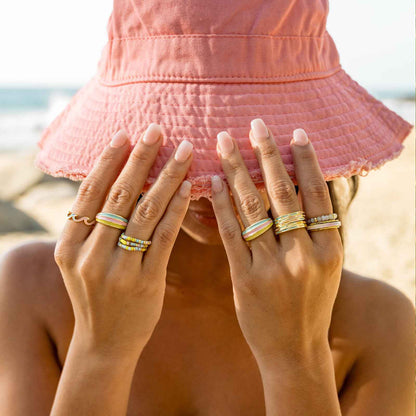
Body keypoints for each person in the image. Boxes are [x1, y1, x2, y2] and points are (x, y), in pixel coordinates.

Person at [0, 0, 415, 415]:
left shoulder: (380, 323)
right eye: (186, 147)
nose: (215, 180)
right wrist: (100, 348)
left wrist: (297, 357)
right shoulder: (30, 288)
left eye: (250, 149)